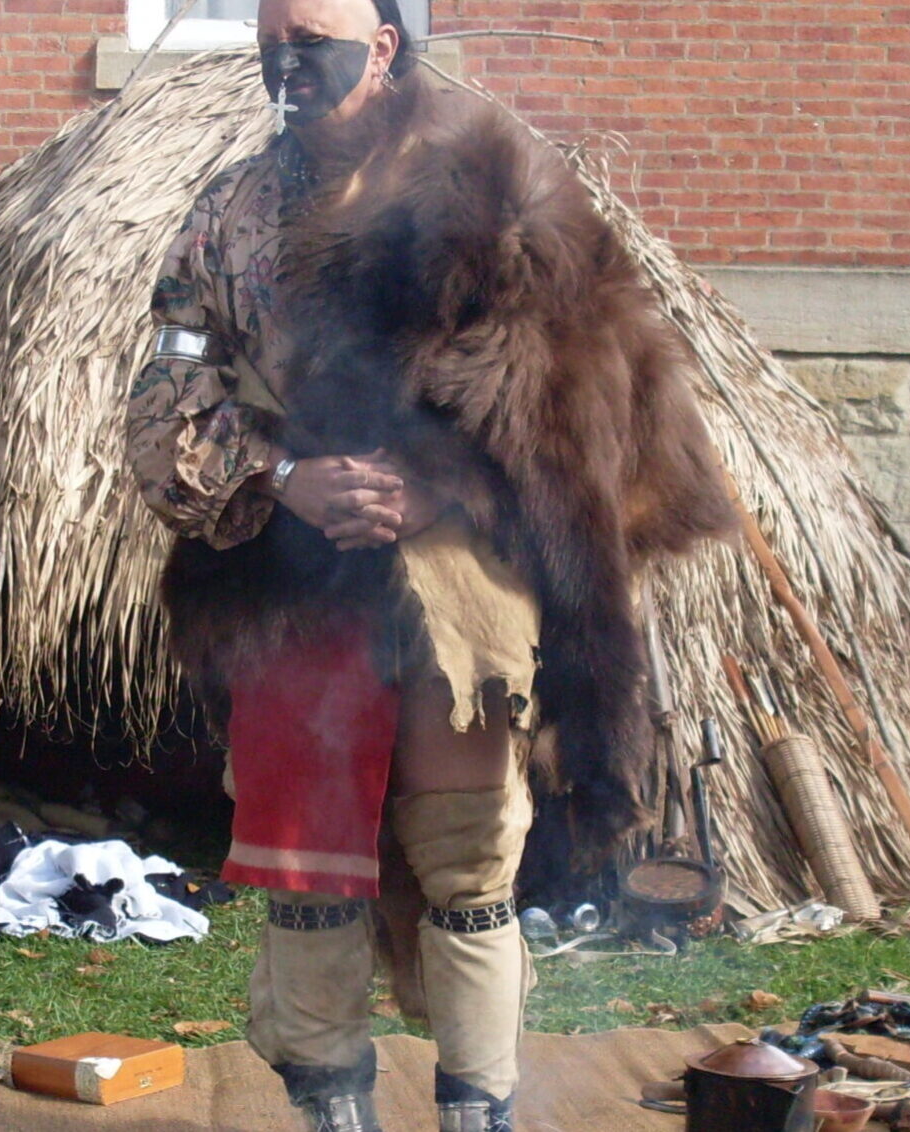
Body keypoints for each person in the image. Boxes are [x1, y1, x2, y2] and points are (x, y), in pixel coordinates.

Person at [124, 4, 730, 1128]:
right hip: (290, 589)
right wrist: (276, 476)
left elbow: (582, 401)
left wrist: (443, 479)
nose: (284, 58)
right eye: (270, 35)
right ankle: (331, 1112)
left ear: (386, 41)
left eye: (312, 32)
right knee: (305, 872)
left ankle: (478, 1113)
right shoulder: (228, 219)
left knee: (466, 870)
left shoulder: (496, 184)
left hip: (460, 588)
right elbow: (162, 404)